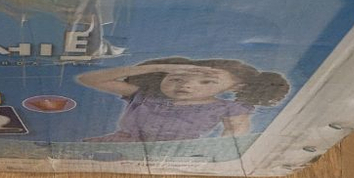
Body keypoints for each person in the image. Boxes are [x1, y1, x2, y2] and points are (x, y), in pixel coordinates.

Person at [77, 56, 289, 142]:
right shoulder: (145, 96)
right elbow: (89, 79)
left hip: (176, 151)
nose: (186, 85)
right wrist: (158, 67)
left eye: (206, 82)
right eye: (176, 78)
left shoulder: (228, 108)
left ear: (234, 87)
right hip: (119, 145)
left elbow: (234, 134)